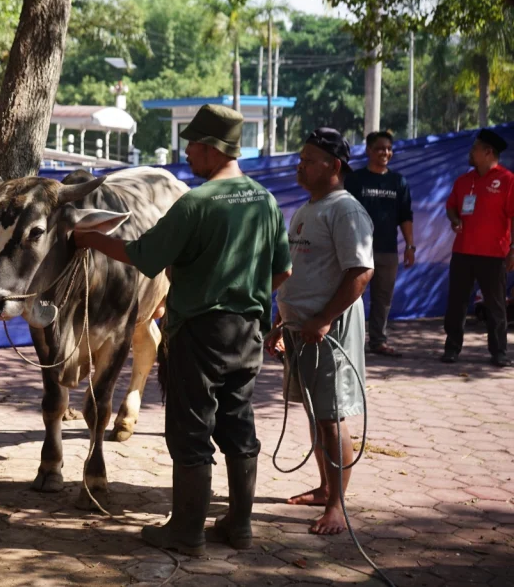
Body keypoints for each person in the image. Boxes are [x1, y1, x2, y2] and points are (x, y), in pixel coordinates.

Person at [74, 104, 293, 557]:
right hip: (247, 331)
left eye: (192, 144)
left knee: (191, 430)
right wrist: (242, 293)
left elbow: (143, 256)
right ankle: (240, 526)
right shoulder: (264, 200)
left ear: (212, 149)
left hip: (200, 332)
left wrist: (86, 237)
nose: (186, 153)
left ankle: (187, 532)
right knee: (237, 424)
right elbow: (282, 272)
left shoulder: (195, 203)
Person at [265, 128, 374, 536]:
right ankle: (326, 487)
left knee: (330, 416)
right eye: (301, 157)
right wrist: (281, 323)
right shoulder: (309, 208)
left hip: (328, 331)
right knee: (315, 412)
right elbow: (299, 272)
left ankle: (337, 507)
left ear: (335, 166)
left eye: (309, 159)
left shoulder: (345, 211)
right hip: (301, 329)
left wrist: (324, 318)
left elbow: (361, 271)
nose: (301, 164)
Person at [441, 129, 514, 367]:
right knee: (457, 303)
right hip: (462, 252)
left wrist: (513, 250)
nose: (470, 153)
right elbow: (451, 206)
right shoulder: (464, 180)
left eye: (475, 149)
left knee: (495, 305)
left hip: (494, 255)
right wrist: (454, 219)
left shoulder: (507, 180)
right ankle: (452, 348)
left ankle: (499, 352)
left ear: (488, 152)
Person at [345, 130, 415, 357]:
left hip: (387, 250)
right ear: (368, 151)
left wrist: (410, 246)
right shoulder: (355, 180)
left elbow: (406, 215)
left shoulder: (398, 182)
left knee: (382, 299)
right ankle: (347, 341)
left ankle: (377, 341)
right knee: (351, 297)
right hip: (357, 250)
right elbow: (343, 213)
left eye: (388, 149)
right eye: (379, 148)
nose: (384, 152)